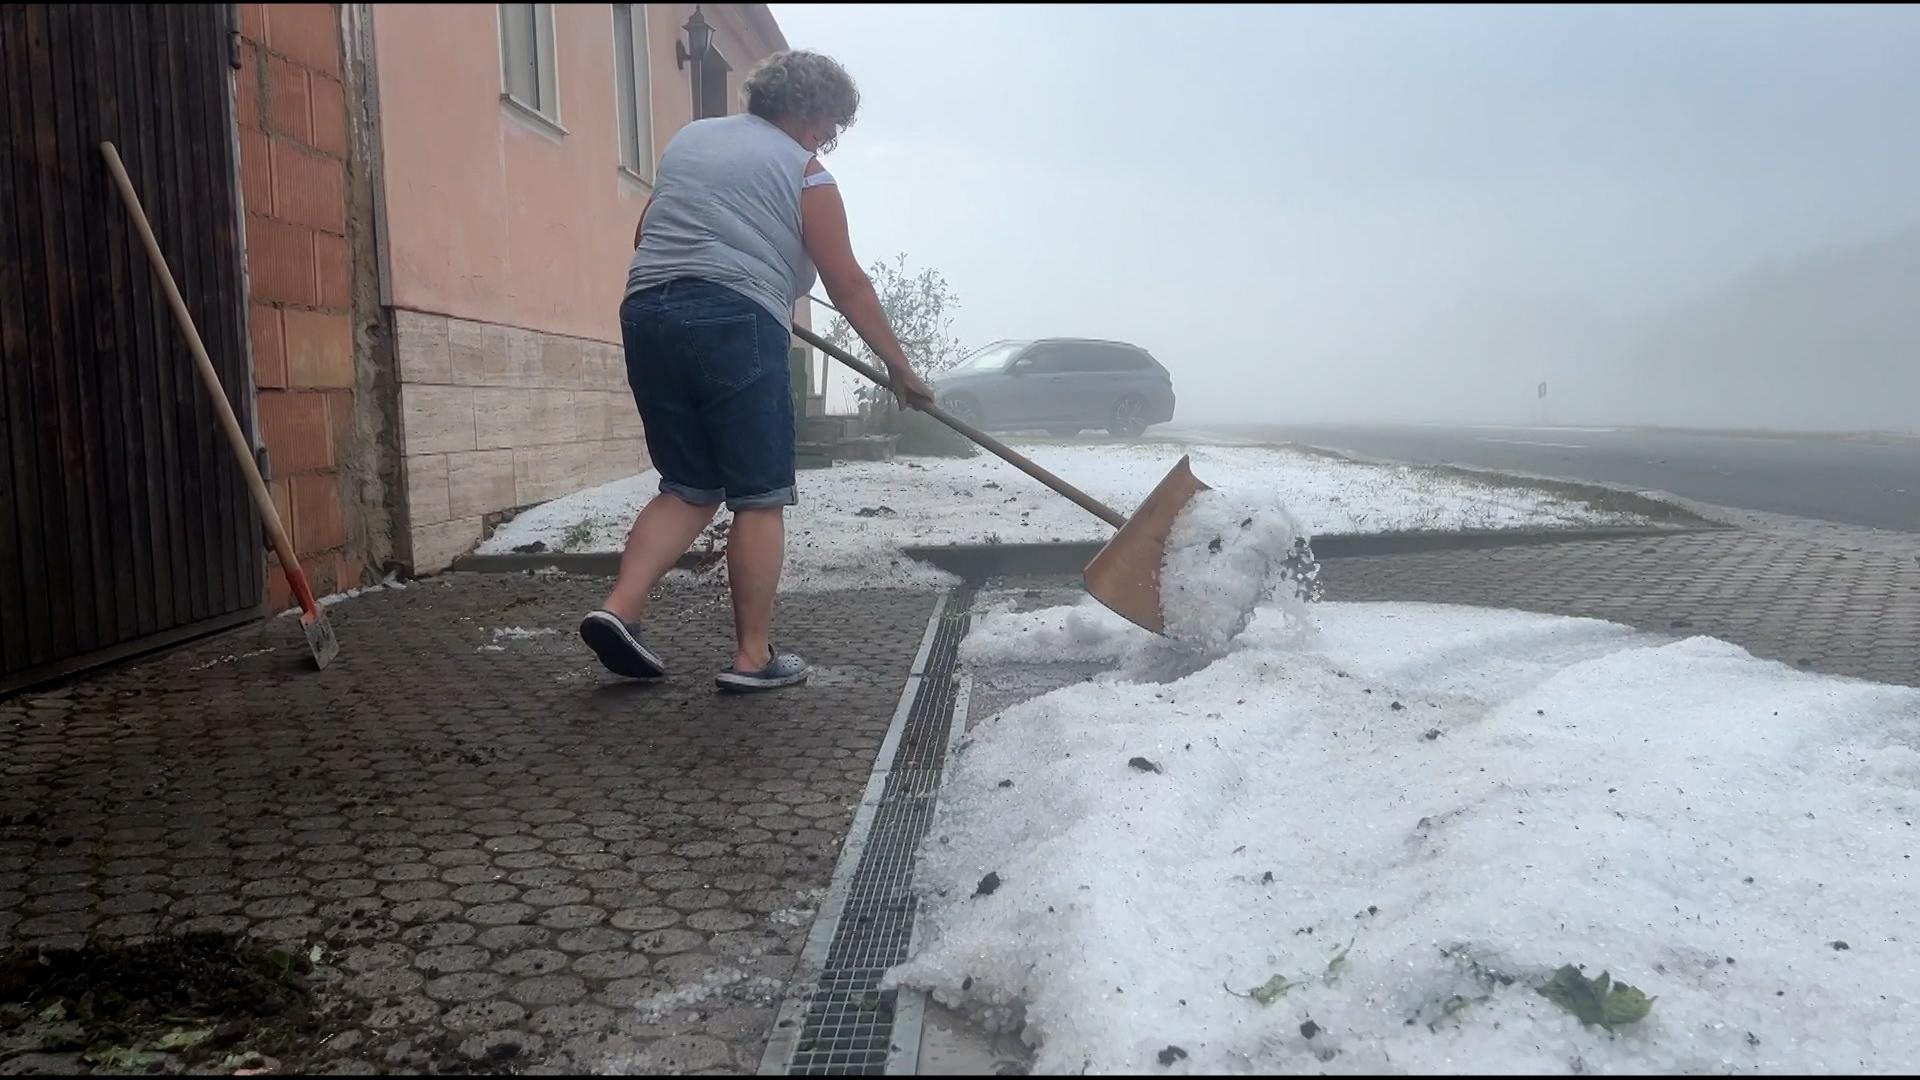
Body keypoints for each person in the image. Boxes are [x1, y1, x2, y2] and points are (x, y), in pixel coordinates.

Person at [579, 50, 933, 694]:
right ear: (808, 112)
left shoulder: (691, 142)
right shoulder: (806, 172)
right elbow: (847, 282)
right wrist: (899, 367)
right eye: (830, 125)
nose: (829, 138)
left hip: (647, 311)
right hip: (736, 321)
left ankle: (620, 608)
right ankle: (751, 657)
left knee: (688, 483)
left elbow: (647, 233)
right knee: (758, 495)